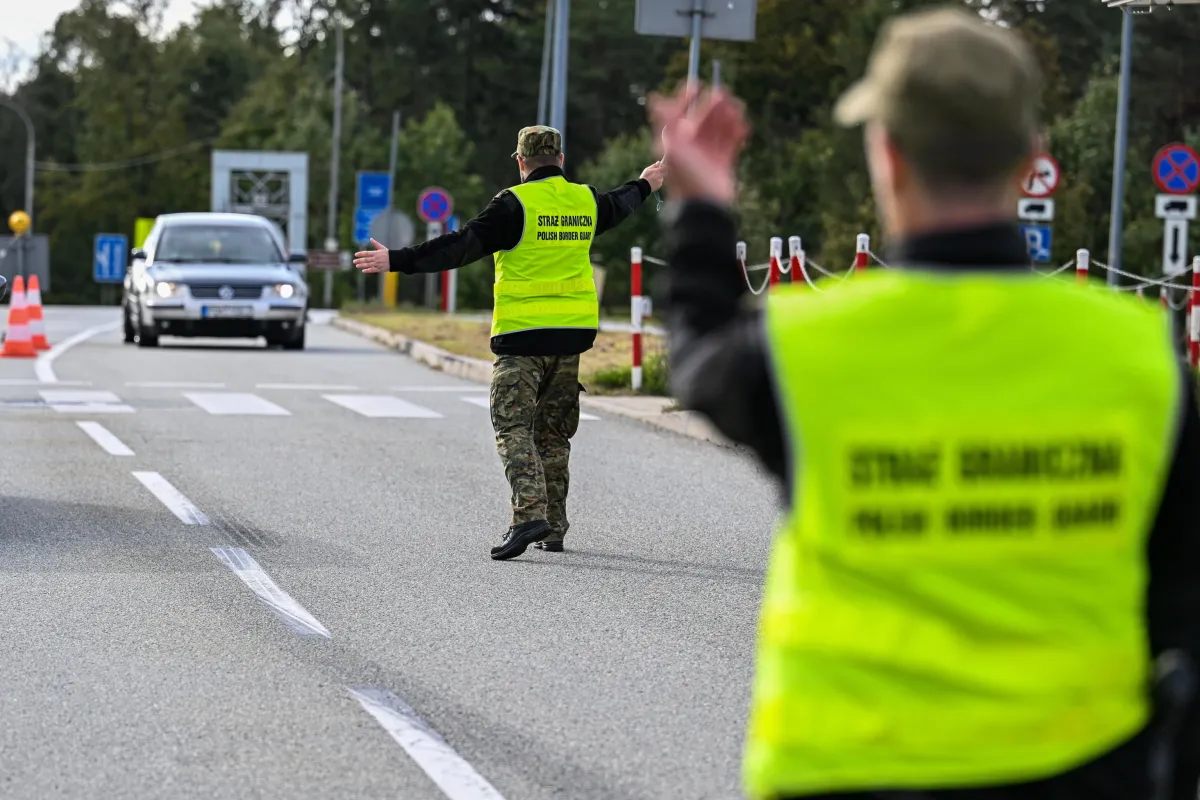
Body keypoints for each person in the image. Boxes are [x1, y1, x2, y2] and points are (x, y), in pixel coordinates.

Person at [651, 7, 1200, 800]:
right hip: (1082, 769)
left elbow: (697, 356)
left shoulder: (807, 346)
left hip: (849, 768)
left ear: (887, 153)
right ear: (1032, 159)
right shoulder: (1141, 349)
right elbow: (1184, 598)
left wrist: (703, 209)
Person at [354, 126, 666, 560]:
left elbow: (459, 247)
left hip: (522, 337)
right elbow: (621, 203)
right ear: (560, 158)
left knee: (512, 425)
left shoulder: (513, 205)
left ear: (520, 162)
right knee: (553, 433)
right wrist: (647, 182)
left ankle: (528, 516)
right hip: (572, 335)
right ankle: (553, 527)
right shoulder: (585, 200)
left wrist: (398, 260)